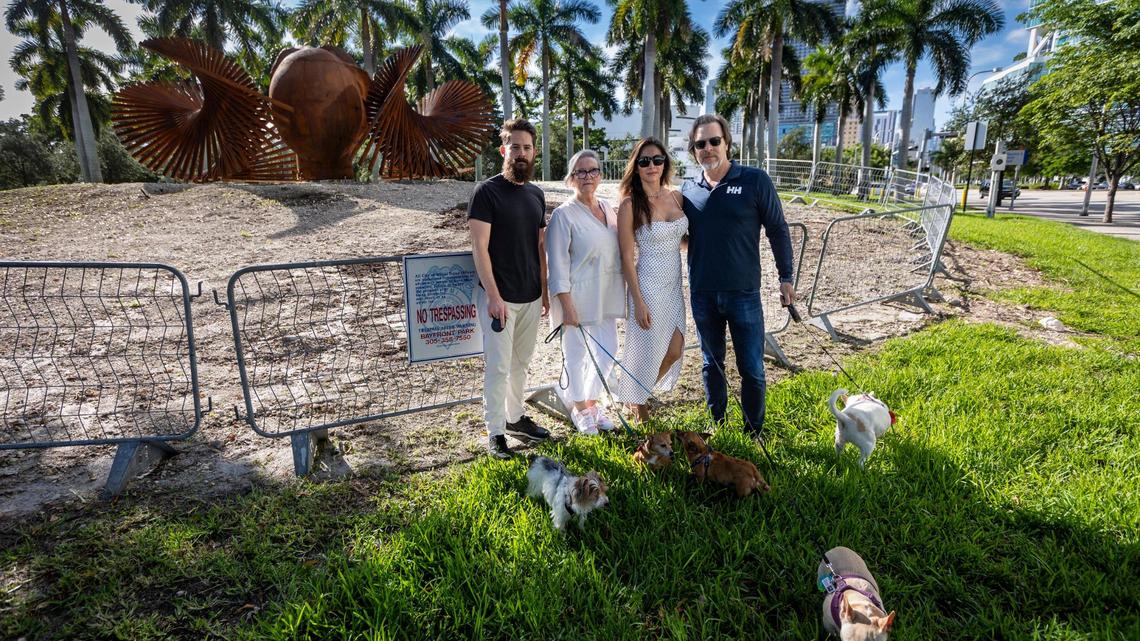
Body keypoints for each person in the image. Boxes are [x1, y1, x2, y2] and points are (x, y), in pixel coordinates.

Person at [680, 114, 796, 440]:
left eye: (714, 141)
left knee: (752, 369)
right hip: (702, 293)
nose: (707, 148)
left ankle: (753, 431)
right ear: (693, 150)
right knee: (710, 363)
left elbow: (777, 229)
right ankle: (717, 425)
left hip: (743, 293)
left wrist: (786, 277)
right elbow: (679, 232)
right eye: (700, 144)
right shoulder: (688, 190)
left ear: (727, 143)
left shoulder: (755, 180)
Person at [468, 118, 552, 459]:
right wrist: (492, 295)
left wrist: (544, 291)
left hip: (530, 296)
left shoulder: (536, 194)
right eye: (515, 147)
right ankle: (495, 433)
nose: (521, 153)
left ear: (534, 153)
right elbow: (479, 247)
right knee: (499, 367)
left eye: (527, 148)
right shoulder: (485, 192)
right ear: (503, 150)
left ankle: (516, 418)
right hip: (499, 300)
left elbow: (538, 246)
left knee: (521, 363)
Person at [546, 150, 625, 434]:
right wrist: (566, 305)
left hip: (606, 293)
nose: (587, 176)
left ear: (600, 176)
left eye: (592, 171)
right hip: (575, 297)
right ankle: (580, 410)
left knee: (609, 351)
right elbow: (556, 266)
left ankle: (591, 403)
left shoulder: (608, 208)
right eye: (580, 172)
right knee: (577, 355)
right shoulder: (563, 215)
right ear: (570, 178)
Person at [615, 138, 688, 422]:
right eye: (644, 161)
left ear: (665, 164)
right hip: (647, 285)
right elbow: (626, 256)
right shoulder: (630, 205)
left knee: (675, 350)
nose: (652, 166)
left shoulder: (676, 198)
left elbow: (681, 240)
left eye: (657, 160)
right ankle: (641, 413)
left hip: (674, 287)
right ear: (636, 166)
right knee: (644, 352)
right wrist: (638, 300)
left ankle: (634, 395)